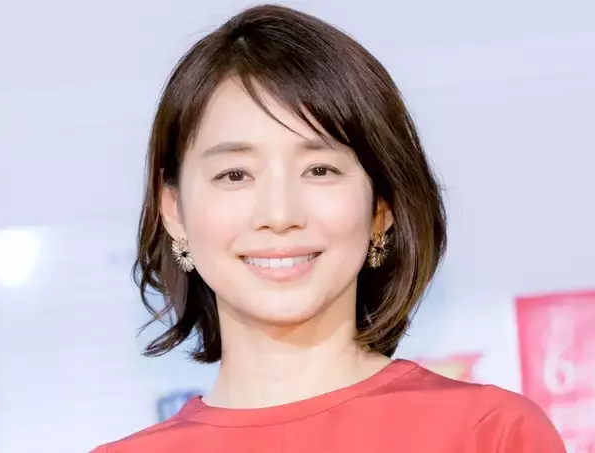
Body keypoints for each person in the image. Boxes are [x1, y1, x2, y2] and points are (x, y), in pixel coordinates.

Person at [91, 4, 566, 452]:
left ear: (381, 207)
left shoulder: (489, 433)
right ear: (174, 211)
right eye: (234, 175)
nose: (279, 214)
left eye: (320, 170)